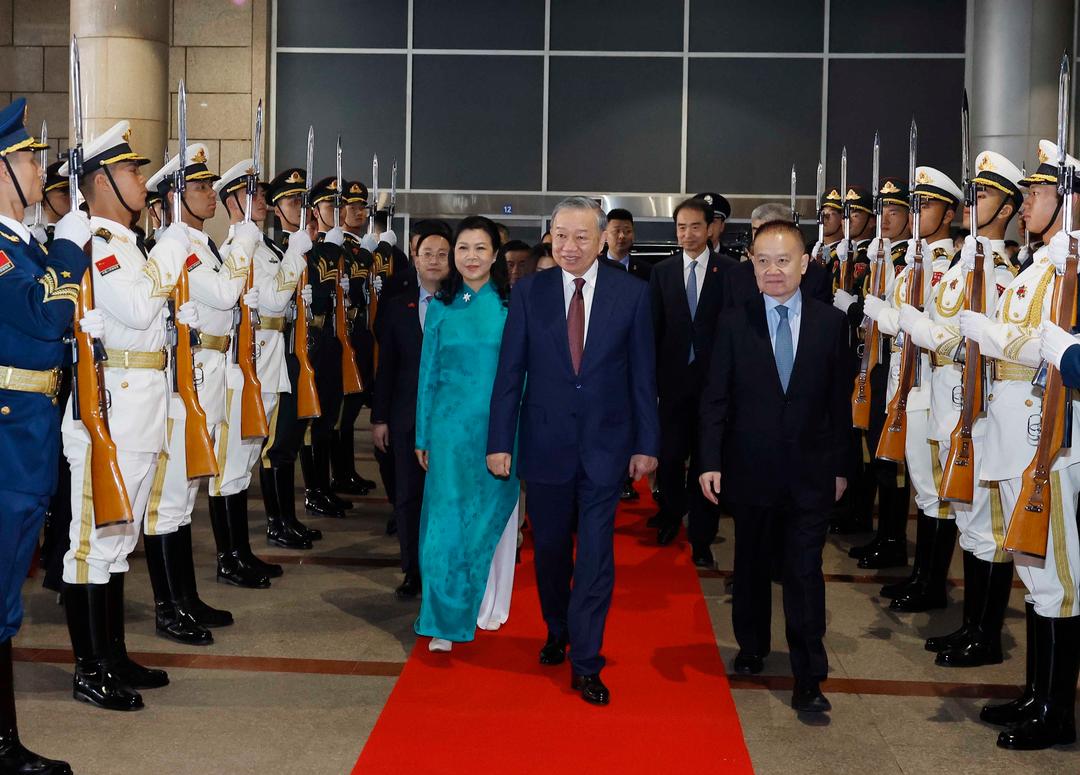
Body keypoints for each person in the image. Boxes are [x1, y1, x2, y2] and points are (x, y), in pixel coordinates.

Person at [487, 197, 659, 706]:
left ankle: (587, 661)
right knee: (553, 554)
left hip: (607, 448)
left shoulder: (632, 294)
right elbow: (509, 374)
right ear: (550, 236)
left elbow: (643, 375)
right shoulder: (529, 294)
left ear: (603, 238)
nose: (569, 246)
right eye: (560, 235)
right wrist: (500, 442)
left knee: (597, 559)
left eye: (582, 237)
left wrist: (647, 444)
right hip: (544, 446)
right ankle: (557, 628)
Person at [58, 120, 192, 713]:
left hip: (142, 407)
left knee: (119, 541)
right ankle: (89, 667)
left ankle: (112, 655)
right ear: (102, 181)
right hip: (108, 413)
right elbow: (139, 310)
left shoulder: (127, 244)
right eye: (133, 170)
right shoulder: (100, 246)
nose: (143, 179)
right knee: (91, 544)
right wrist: (175, 242)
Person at [698, 219, 850, 714]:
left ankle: (809, 674)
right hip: (749, 468)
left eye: (783, 260)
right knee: (751, 564)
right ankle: (752, 644)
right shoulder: (734, 320)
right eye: (762, 260)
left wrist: (842, 467)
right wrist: (709, 461)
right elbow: (715, 398)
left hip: (810, 472)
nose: (772, 270)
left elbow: (840, 407)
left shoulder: (831, 324)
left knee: (804, 571)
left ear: (805, 264)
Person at [961, 140, 1080, 750]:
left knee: (1057, 575)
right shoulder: (1037, 265)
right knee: (1033, 571)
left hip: (1048, 439)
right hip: (1013, 432)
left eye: (1037, 192)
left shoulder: (1072, 267)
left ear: (1067, 200)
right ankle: (1037, 695)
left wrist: (994, 334)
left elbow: (1056, 345)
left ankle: (1058, 711)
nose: (1026, 202)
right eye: (1026, 192)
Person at [896, 151, 1021, 667]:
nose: (974, 203)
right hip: (949, 408)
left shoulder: (1000, 273)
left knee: (987, 528)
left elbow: (970, 342)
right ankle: (972, 626)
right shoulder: (962, 268)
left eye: (985, 195)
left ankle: (985, 635)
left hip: (980, 413)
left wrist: (913, 324)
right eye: (972, 194)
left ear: (1008, 208)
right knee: (969, 522)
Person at [0, 97, 89, 775]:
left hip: (29, 436)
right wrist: (68, 245)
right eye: (28, 157)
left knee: (6, 592)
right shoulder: (7, 253)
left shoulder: (21, 244)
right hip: (7, 440)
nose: (39, 167)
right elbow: (43, 317)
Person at [143, 144, 252, 640]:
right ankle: (169, 608)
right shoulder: (176, 246)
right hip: (185, 378)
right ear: (174, 196)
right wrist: (245, 235)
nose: (212, 195)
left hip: (208, 370)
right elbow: (228, 294)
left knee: (186, 494)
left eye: (210, 186)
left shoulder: (201, 244)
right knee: (170, 497)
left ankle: (186, 598)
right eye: (201, 187)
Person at [414, 216, 520, 651]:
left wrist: (516, 433)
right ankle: (443, 618)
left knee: (487, 524)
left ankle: (487, 605)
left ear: (495, 255)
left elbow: (521, 377)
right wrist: (422, 434)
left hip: (498, 432)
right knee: (443, 527)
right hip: (448, 434)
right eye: (463, 248)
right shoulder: (441, 305)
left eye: (480, 248)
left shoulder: (512, 305)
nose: (471, 257)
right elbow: (428, 375)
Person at [863, 166, 961, 613]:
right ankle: (921, 576)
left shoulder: (944, 267)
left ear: (948, 215)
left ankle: (931, 583)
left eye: (927, 205)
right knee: (924, 488)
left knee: (934, 490)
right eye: (915, 205)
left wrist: (884, 315)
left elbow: (920, 323)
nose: (918, 213)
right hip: (907, 385)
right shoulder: (914, 262)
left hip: (927, 387)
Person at [212, 160, 310, 573]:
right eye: (253, 194)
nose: (264, 202)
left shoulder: (264, 249)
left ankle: (242, 553)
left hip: (269, 368)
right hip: (243, 373)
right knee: (231, 469)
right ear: (233, 201)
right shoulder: (238, 248)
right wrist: (296, 257)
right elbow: (272, 302)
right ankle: (229, 558)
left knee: (246, 466)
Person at [649, 197, 735, 565]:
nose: (687, 234)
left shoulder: (730, 271)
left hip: (713, 387)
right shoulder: (662, 272)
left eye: (695, 227)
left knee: (707, 461)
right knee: (669, 457)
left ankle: (702, 537)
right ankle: (670, 515)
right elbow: (653, 329)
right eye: (681, 227)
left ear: (710, 227)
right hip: (671, 386)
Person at [372, 220, 452, 599]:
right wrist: (380, 418)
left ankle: (442, 567)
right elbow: (385, 367)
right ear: (414, 260)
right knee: (408, 497)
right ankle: (412, 569)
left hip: (450, 421)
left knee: (444, 496)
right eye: (427, 254)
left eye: (442, 255)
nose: (434, 261)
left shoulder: (460, 306)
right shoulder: (397, 308)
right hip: (405, 418)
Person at [837, 178, 913, 569]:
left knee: (890, 460)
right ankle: (882, 533)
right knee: (872, 451)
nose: (885, 218)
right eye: (882, 211)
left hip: (894, 367)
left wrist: (853, 310)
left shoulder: (907, 261)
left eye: (894, 211)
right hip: (873, 361)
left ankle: (894, 538)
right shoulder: (881, 255)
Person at [258, 167, 324, 540]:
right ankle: (276, 522)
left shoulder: (308, 250)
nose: (300, 207)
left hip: (303, 352)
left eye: (303, 201)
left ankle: (288, 517)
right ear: (276, 208)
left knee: (294, 435)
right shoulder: (271, 251)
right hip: (278, 353)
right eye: (292, 201)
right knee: (277, 442)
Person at [599, 208, 651, 280]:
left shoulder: (646, 270)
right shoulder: (594, 266)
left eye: (627, 231)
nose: (622, 236)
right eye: (616, 231)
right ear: (604, 235)